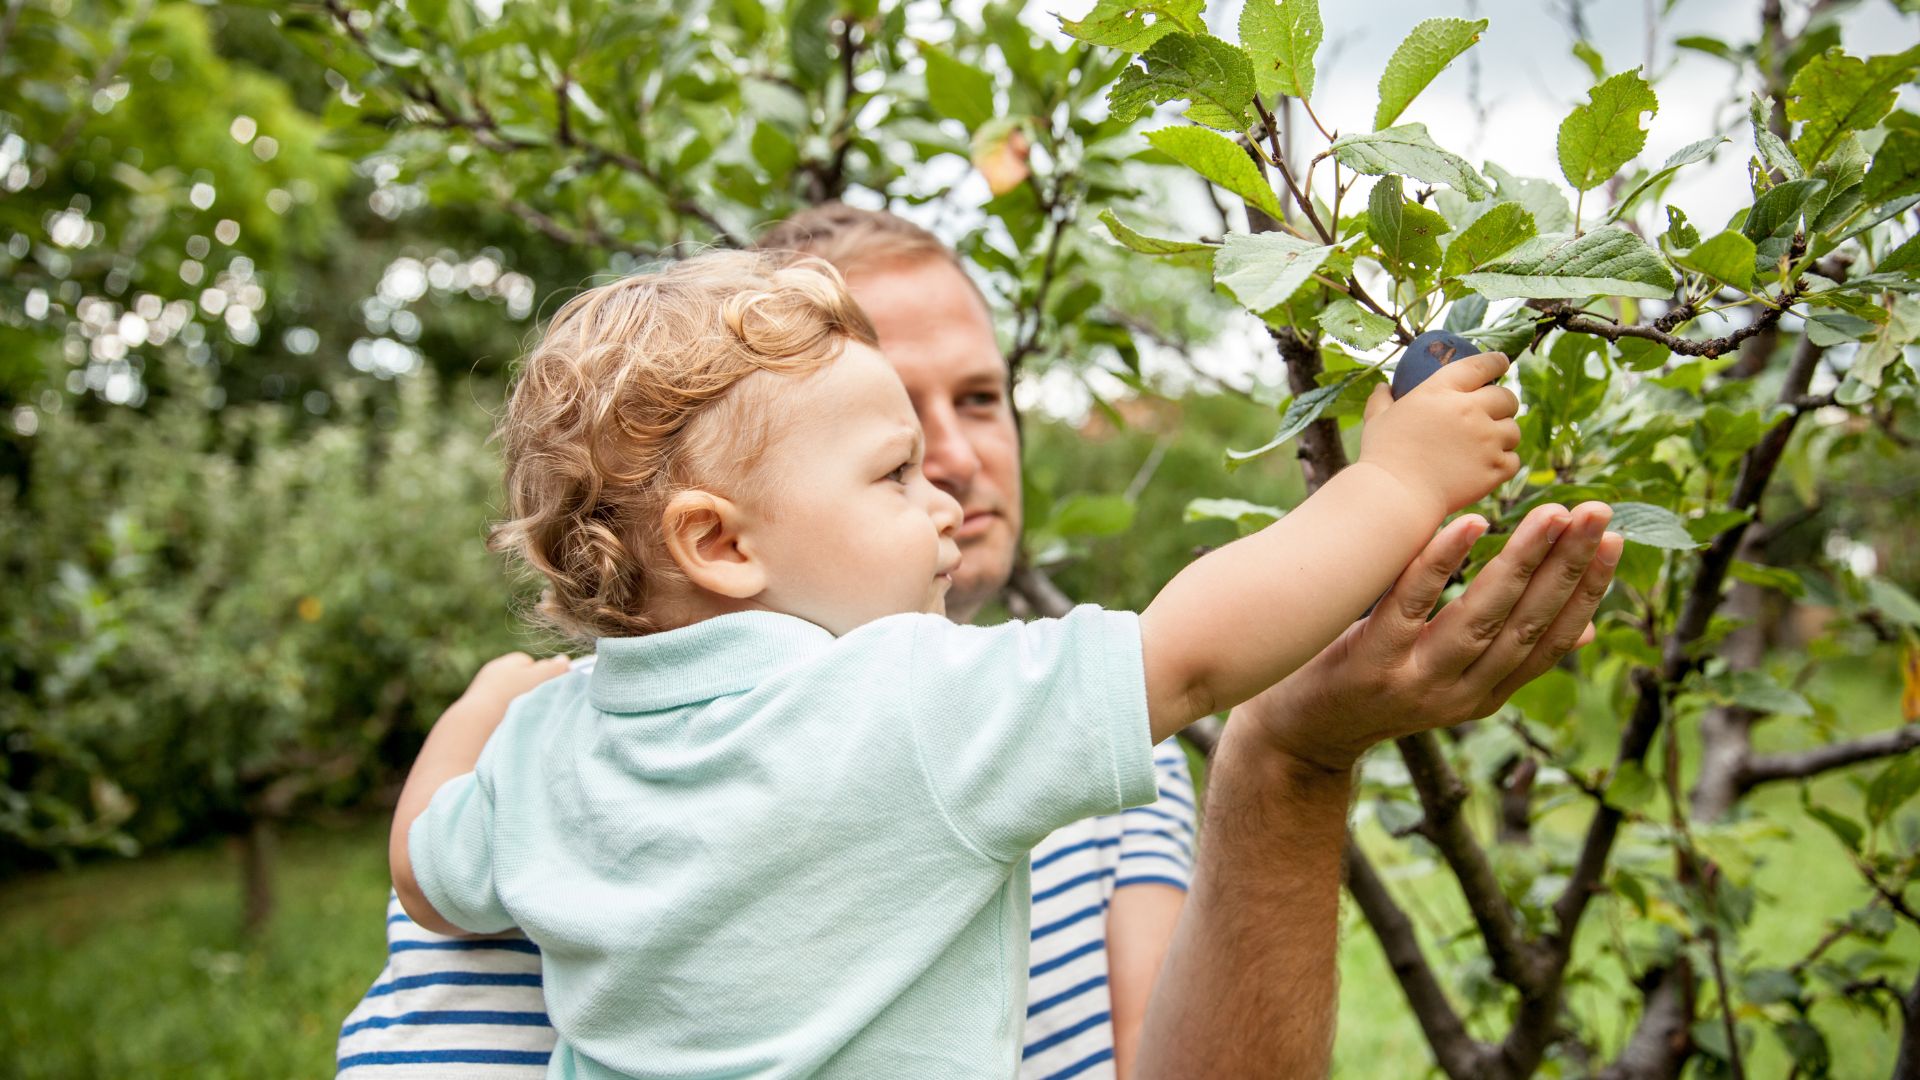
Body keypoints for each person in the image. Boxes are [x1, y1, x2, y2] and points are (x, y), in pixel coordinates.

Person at [338, 206, 1624, 1079]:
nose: (946, 483)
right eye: (896, 467)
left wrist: (484, 709)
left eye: (978, 403)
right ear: (724, 544)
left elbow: (421, 864)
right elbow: (1186, 652)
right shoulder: (912, 703)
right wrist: (1396, 486)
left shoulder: (548, 753)